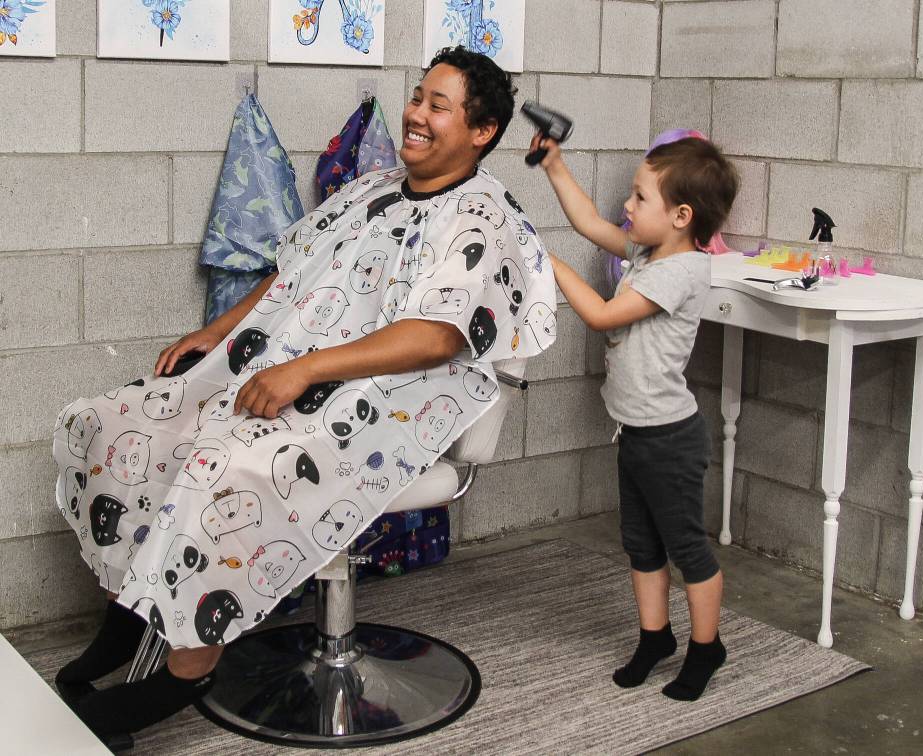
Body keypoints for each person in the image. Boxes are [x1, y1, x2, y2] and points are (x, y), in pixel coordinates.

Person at [53, 45, 556, 742]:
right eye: (417, 97)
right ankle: (130, 621)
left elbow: (439, 335)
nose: (415, 114)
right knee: (116, 424)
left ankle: (184, 670)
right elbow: (292, 274)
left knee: (219, 466)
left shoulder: (480, 219)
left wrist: (305, 370)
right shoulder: (373, 190)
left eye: (437, 106)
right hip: (292, 372)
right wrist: (218, 332)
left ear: (482, 131)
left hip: (385, 405)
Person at [530, 129, 738, 700]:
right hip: (638, 433)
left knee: (686, 548)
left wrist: (546, 261)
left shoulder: (681, 271)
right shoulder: (650, 254)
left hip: (670, 439)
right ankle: (655, 638)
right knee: (641, 546)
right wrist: (555, 166)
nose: (627, 204)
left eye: (640, 197)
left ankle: (706, 647)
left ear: (681, 216)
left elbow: (602, 314)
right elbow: (589, 224)